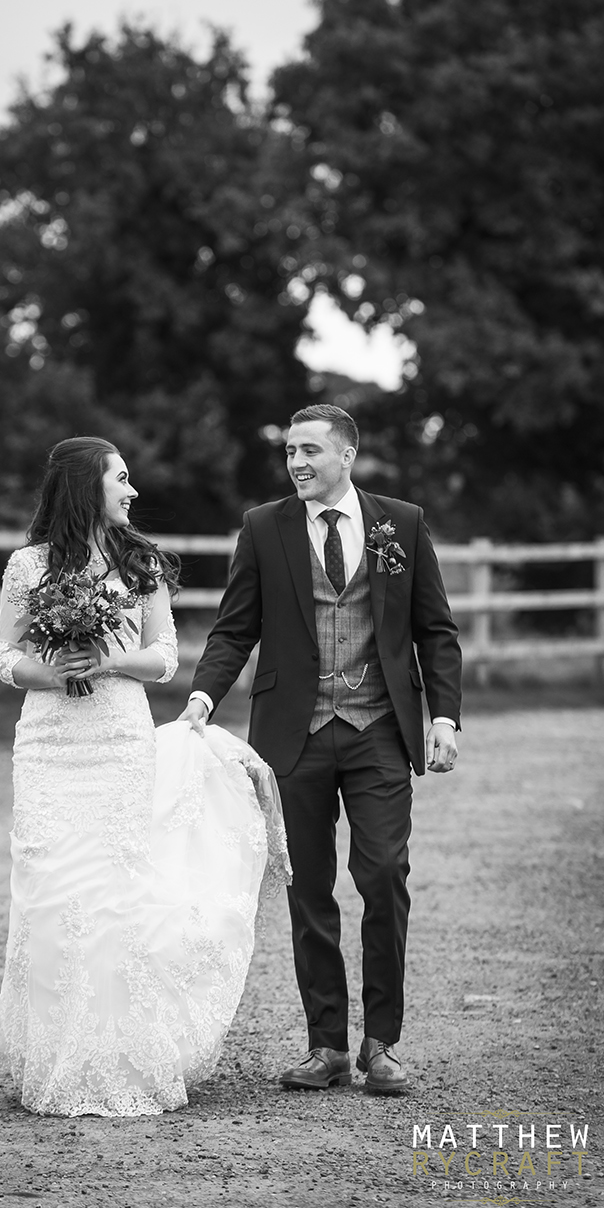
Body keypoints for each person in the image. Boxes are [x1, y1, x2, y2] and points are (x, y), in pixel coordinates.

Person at [0, 436, 289, 1117]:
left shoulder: (141, 563)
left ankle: (116, 1059)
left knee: (110, 900)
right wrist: (54, 668)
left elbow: (163, 657)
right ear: (84, 486)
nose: (132, 491)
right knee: (47, 894)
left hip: (119, 741)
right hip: (47, 745)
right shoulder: (27, 564)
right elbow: (4, 656)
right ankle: (54, 1059)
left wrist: (106, 662)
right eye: (120, 479)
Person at [181, 405, 462, 1095]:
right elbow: (232, 629)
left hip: (379, 730)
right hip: (292, 734)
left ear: (346, 454)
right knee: (307, 888)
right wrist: (203, 698)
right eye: (289, 452)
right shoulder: (263, 527)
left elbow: (436, 630)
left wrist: (445, 718)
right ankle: (327, 1044)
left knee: (383, 874)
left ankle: (382, 1044)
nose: (296, 462)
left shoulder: (403, 522)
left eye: (309, 450)